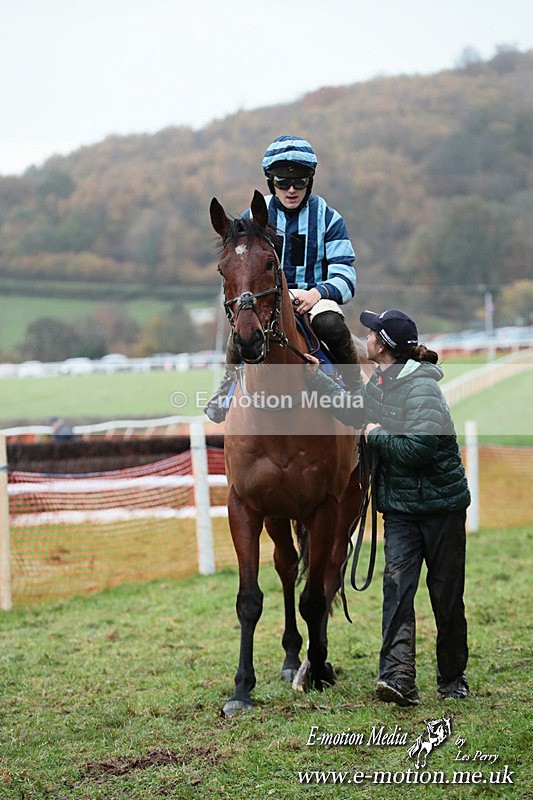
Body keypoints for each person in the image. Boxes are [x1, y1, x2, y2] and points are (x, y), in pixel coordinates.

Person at [305, 309, 471, 706]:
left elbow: (418, 449)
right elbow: (353, 409)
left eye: (373, 332)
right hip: (399, 510)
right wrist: (317, 378)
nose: (367, 336)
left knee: (446, 596)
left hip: (441, 508)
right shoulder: (379, 381)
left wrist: (375, 436)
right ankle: (397, 677)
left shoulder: (422, 389)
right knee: (396, 592)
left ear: (385, 345)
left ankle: (452, 679)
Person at [204, 134, 359, 422]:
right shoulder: (254, 216)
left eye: (299, 181)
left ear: (309, 181)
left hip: (316, 299)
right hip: (268, 298)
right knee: (243, 326)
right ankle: (226, 384)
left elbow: (346, 274)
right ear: (270, 181)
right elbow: (243, 269)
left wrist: (318, 293)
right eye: (282, 182)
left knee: (331, 324)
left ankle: (355, 389)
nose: (290, 189)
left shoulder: (329, 218)